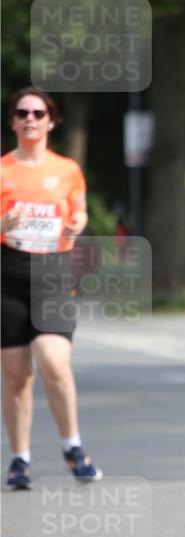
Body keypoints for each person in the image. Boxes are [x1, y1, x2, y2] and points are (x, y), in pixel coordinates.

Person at [1, 88, 102, 490]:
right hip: (7, 277)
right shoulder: (3, 170)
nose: (30, 118)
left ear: (51, 121)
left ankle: (72, 446)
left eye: (38, 112)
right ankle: (19, 458)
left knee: (53, 362)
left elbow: (78, 211)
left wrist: (77, 222)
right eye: (21, 112)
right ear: (12, 121)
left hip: (52, 275)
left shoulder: (67, 170)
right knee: (17, 377)